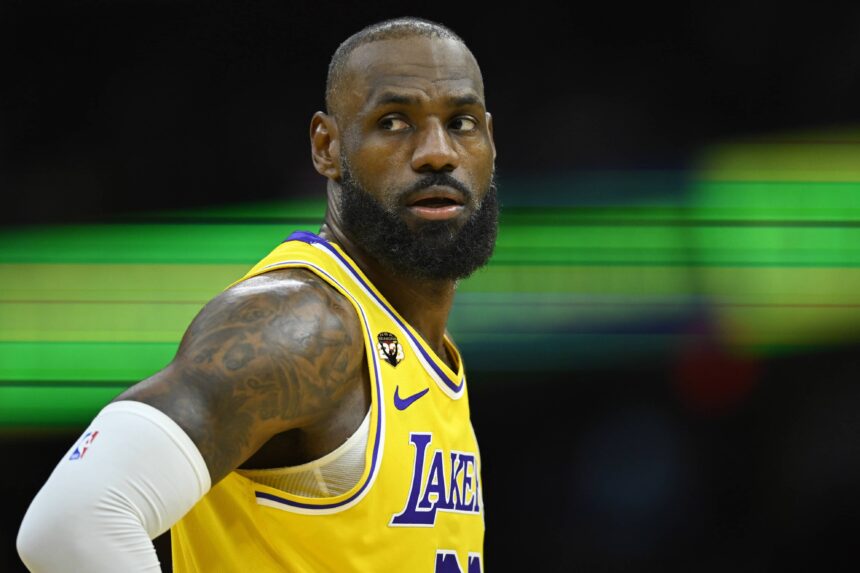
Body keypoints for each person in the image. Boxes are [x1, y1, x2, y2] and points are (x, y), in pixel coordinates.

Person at [16, 16, 497, 573]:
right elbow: (73, 522)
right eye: (394, 122)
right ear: (327, 147)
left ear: (490, 141)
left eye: (460, 122)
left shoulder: (421, 347)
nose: (437, 152)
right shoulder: (300, 322)